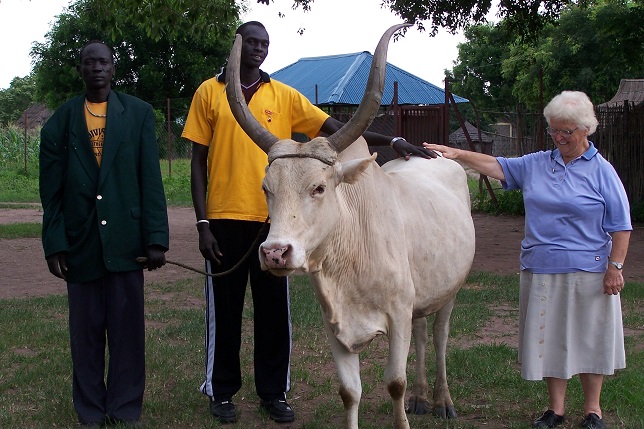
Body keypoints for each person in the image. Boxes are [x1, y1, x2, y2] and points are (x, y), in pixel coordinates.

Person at [181, 20, 432, 424]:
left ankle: (273, 392)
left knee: (273, 315)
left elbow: (337, 130)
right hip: (224, 217)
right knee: (224, 313)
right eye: (251, 42)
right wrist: (202, 223)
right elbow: (197, 162)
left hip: (280, 220)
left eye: (265, 44)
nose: (259, 49)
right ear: (238, 44)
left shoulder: (283, 95)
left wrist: (392, 142)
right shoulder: (209, 93)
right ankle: (222, 392)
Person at [425, 91, 631, 429]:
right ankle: (556, 409)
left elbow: (621, 225)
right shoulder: (538, 163)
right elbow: (498, 167)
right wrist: (457, 154)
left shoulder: (602, 171)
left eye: (566, 131)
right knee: (549, 337)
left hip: (590, 269)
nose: (559, 137)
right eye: (553, 130)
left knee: (589, 338)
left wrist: (615, 267)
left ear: (585, 130)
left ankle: (593, 410)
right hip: (542, 267)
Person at [39, 40, 169, 428]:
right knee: (86, 333)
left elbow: (150, 179)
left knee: (128, 332)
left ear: (114, 69)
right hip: (80, 244)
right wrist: (55, 243)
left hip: (128, 243)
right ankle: (91, 411)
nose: (96, 68)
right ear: (80, 69)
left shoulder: (139, 114)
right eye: (89, 62)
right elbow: (52, 192)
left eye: (104, 62)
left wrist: (156, 238)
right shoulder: (59, 122)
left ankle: (125, 408)